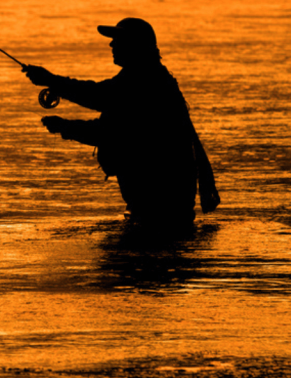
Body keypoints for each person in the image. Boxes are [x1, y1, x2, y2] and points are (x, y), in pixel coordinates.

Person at [22, 17, 219, 228]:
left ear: (136, 45)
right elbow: (109, 117)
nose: (111, 44)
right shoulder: (148, 77)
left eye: (118, 40)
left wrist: (57, 98)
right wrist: (63, 117)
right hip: (162, 208)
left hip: (158, 209)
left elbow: (104, 118)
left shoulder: (146, 82)